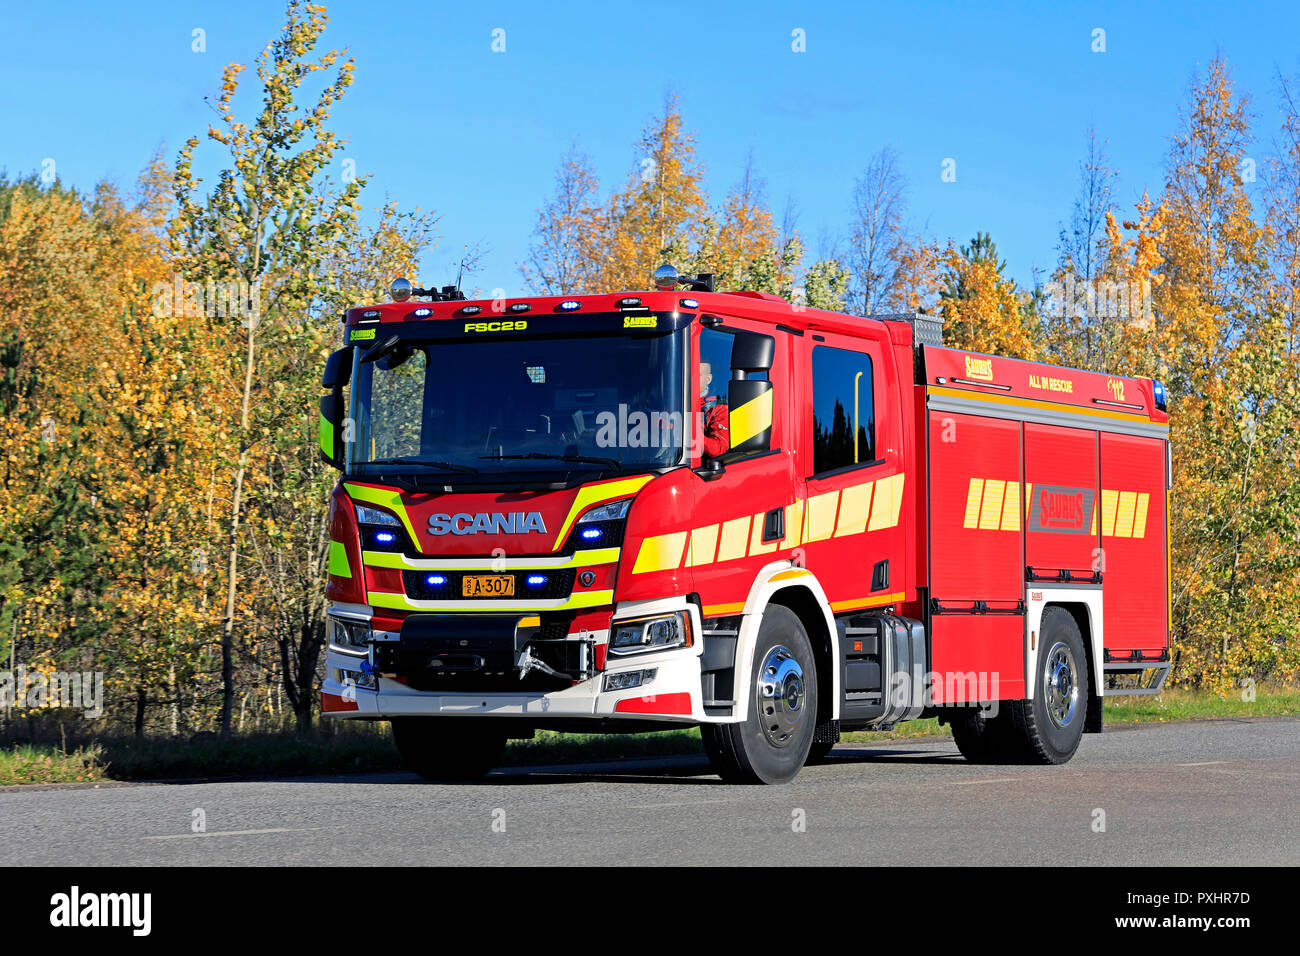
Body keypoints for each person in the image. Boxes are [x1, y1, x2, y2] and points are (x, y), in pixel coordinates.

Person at [699, 361, 730, 459]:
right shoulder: (673, 402)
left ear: (708, 379)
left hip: (700, 470)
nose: (690, 379)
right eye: (688, 374)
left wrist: (683, 433)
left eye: (697, 375)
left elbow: (719, 449)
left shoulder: (719, 408)